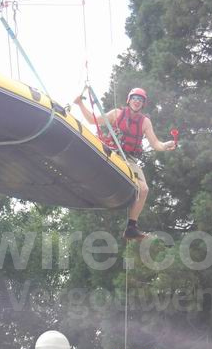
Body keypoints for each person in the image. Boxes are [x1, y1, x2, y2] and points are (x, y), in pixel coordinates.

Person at [73, 88, 176, 240]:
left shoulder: (145, 122)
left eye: (140, 100)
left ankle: (131, 228)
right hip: (113, 151)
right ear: (129, 100)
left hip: (129, 158)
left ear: (143, 104)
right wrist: (80, 104)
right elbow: (92, 120)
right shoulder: (117, 114)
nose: (137, 102)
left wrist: (167, 144)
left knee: (144, 189)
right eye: (134, 98)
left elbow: (156, 144)